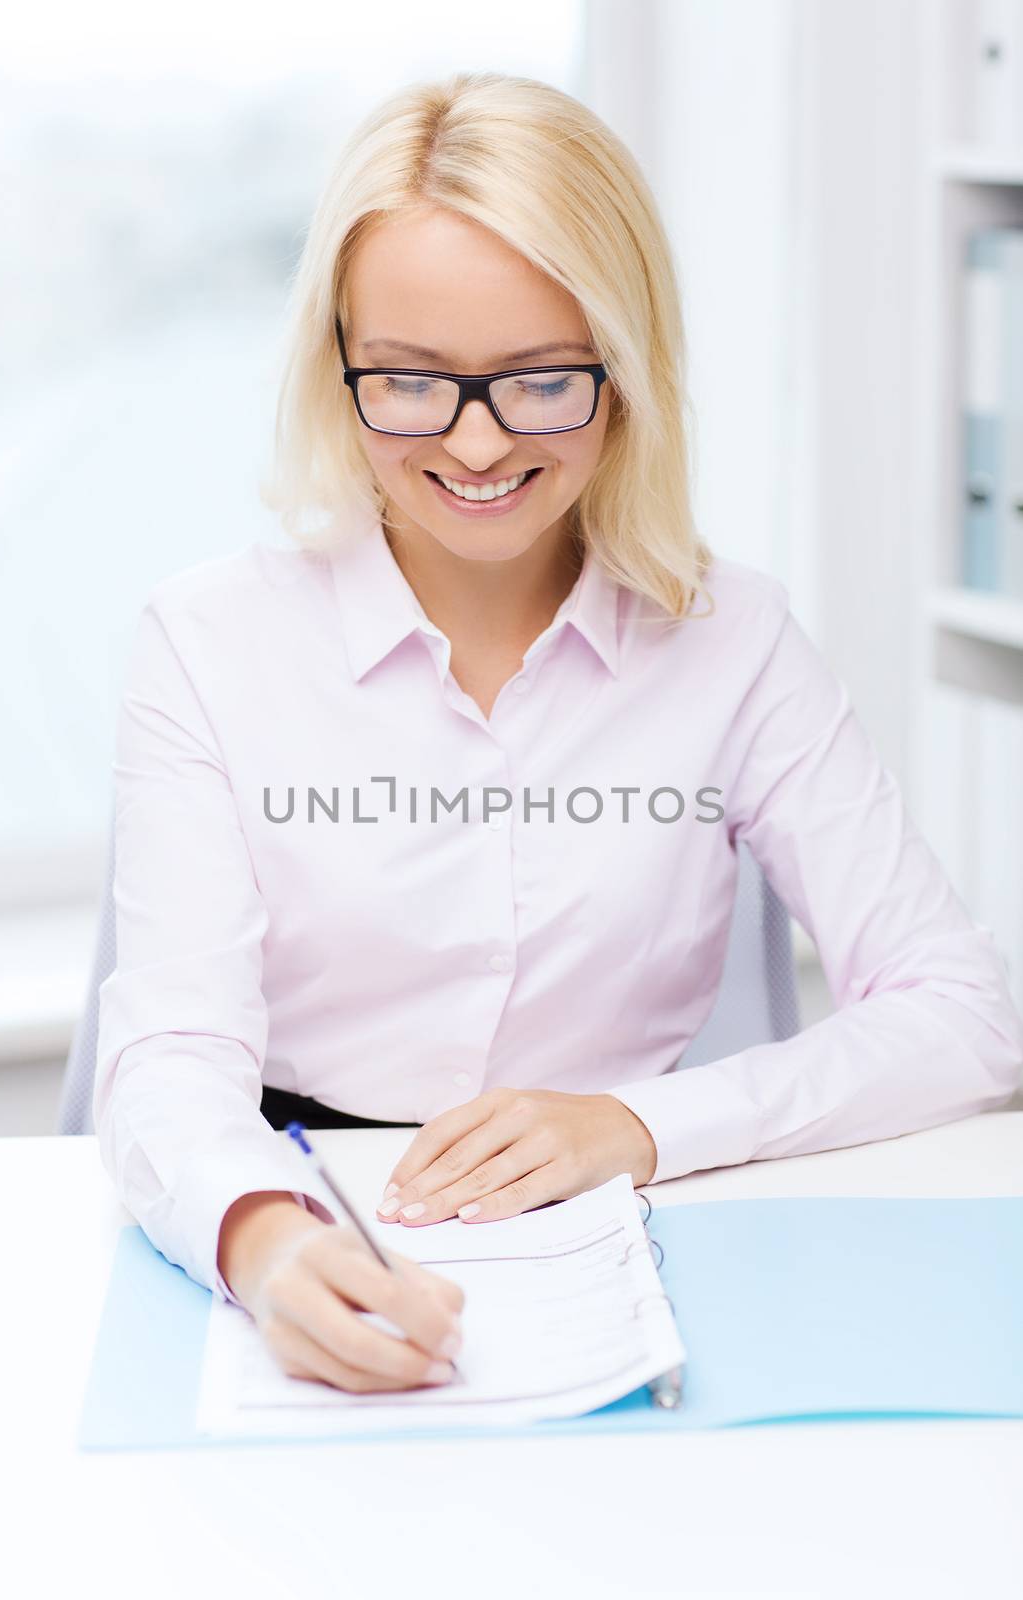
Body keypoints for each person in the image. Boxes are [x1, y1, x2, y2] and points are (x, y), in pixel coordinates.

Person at [94, 70, 1023, 1397]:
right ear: (336, 364)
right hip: (311, 1206)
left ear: (627, 372)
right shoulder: (207, 641)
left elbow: (964, 1015)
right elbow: (173, 1057)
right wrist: (266, 1246)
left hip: (643, 1224)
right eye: (410, 381)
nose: (475, 443)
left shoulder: (735, 639)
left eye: (539, 381)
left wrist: (640, 1123)